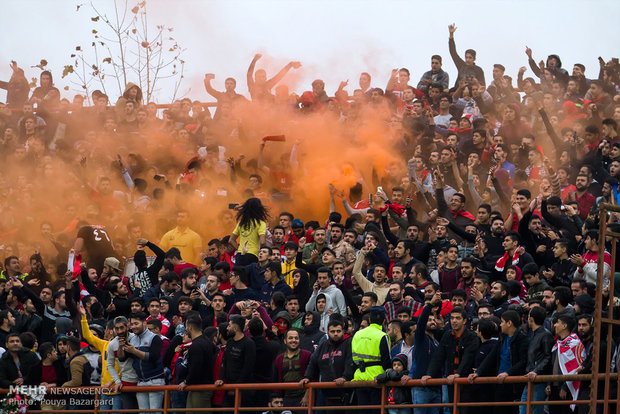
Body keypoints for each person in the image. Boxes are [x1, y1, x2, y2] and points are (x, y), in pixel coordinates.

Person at [349, 306, 391, 414]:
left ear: (369, 320)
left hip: (359, 378)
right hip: (377, 379)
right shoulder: (383, 336)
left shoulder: (357, 334)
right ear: (384, 320)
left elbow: (352, 359)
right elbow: (387, 361)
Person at [126, 312, 165, 413]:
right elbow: (123, 358)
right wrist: (121, 346)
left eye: (136, 323)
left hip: (155, 380)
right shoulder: (132, 339)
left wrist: (134, 351)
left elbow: (153, 357)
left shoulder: (154, 338)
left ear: (144, 323)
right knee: (143, 412)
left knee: (155, 412)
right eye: (132, 324)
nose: (133, 327)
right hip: (140, 381)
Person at [215, 315, 256, 407]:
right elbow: (224, 362)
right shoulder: (229, 342)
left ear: (236, 328)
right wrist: (221, 378)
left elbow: (248, 368)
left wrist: (236, 387)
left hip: (243, 390)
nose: (227, 328)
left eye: (229, 325)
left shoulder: (249, 344)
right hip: (229, 388)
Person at [177, 315, 216, 409]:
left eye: (186, 327)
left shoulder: (196, 345)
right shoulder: (207, 341)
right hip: (200, 387)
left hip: (201, 389)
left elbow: (195, 367)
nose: (185, 330)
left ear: (190, 327)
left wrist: (186, 382)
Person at [520, 306, 553, 414]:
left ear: (531, 319)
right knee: (523, 410)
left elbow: (548, 357)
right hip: (530, 379)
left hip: (538, 380)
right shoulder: (535, 334)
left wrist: (536, 371)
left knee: (535, 411)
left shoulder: (545, 335)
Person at [274, 329, 311, 407]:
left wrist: (307, 396)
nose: (294, 340)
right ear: (285, 341)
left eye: (296, 338)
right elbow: (276, 380)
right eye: (290, 338)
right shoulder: (279, 359)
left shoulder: (307, 355)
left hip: (303, 398)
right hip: (286, 398)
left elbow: (312, 377)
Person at [229, 197, 269, 266]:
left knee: (239, 276)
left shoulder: (241, 223)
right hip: (253, 255)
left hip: (240, 255)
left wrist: (240, 249)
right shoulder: (261, 223)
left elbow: (231, 240)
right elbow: (262, 242)